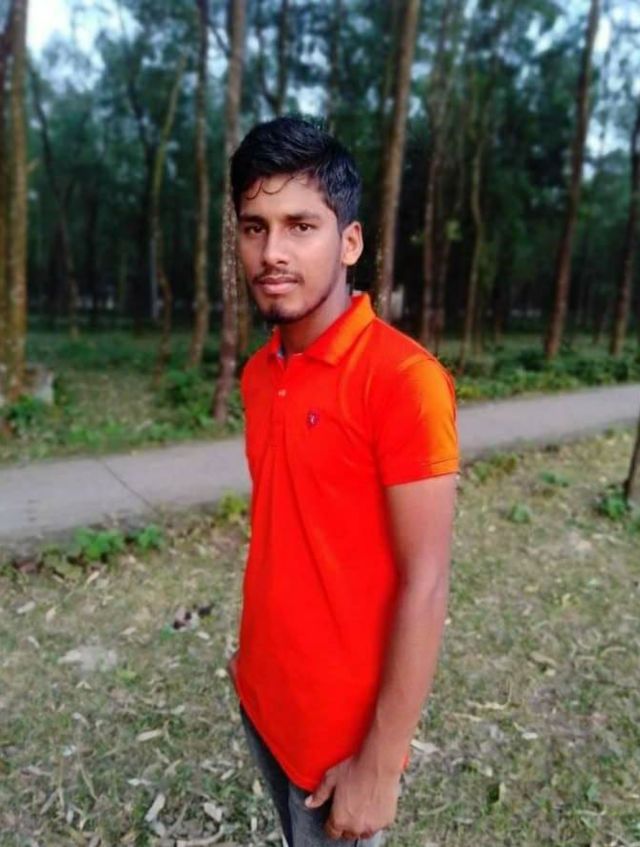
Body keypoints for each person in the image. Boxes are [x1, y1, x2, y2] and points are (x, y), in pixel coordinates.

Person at [226, 116, 459, 846]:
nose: (273, 251)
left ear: (349, 242)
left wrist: (381, 765)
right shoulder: (260, 374)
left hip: (340, 748)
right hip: (265, 695)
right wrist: (251, 665)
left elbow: (427, 581)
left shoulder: (404, 380)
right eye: (255, 228)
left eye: (301, 226)